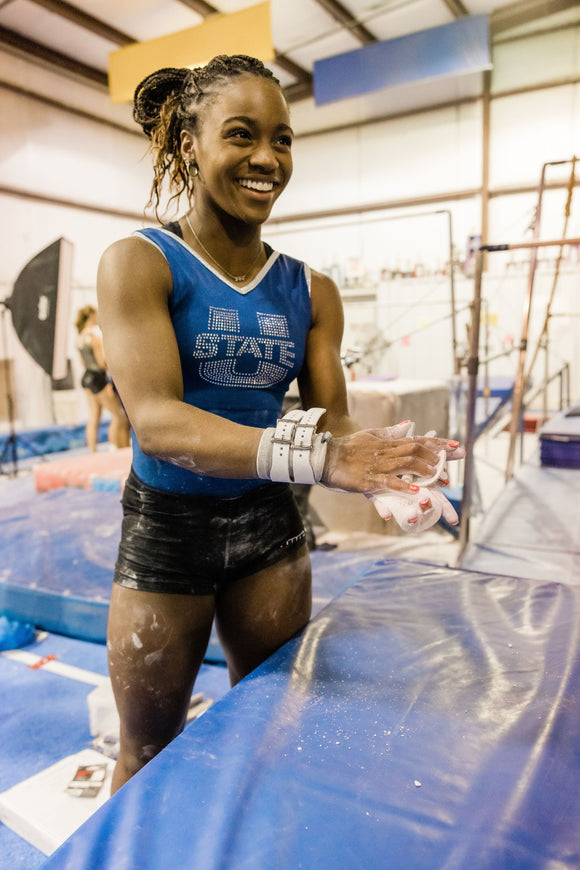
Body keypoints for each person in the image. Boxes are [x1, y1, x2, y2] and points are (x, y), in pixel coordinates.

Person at [96, 55, 465, 793]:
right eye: (241, 135)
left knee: (273, 723)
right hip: (169, 527)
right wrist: (319, 459)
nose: (267, 158)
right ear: (189, 144)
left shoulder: (309, 288)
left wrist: (384, 466)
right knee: (146, 748)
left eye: (283, 139)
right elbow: (161, 424)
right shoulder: (139, 263)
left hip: (270, 528)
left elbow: (333, 423)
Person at [75, 305, 130, 451]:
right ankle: (120, 447)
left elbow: (82, 362)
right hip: (98, 378)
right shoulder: (94, 338)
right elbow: (102, 362)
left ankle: (93, 451)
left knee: (94, 417)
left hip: (87, 377)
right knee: (120, 415)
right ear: (92, 316)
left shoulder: (79, 339)